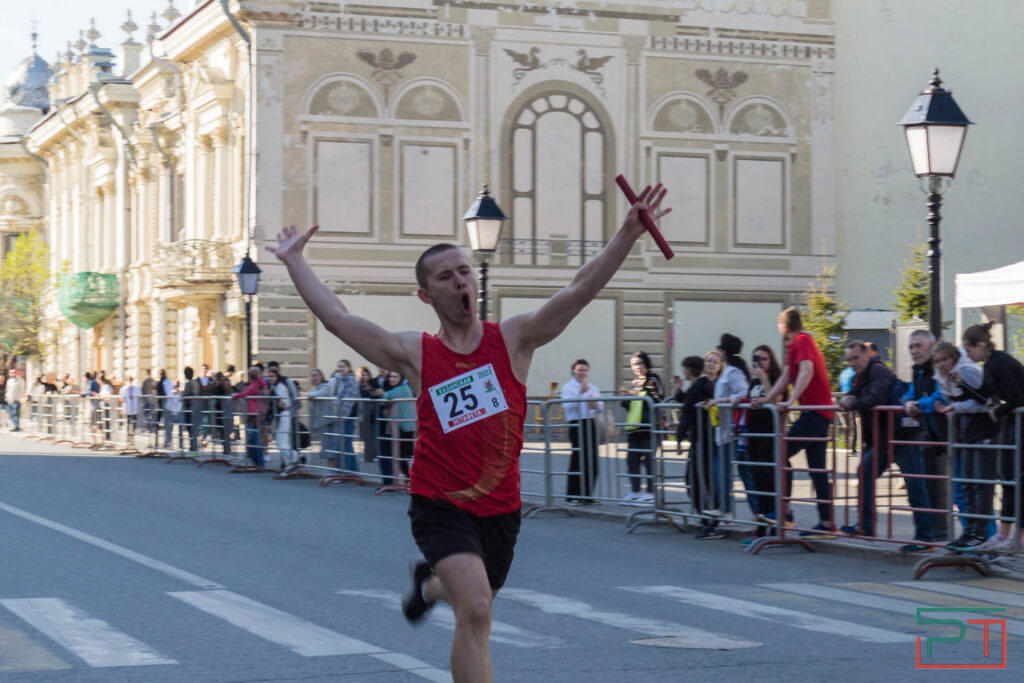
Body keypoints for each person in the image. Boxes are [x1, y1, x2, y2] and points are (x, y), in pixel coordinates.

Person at [269, 182, 670, 683]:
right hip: (440, 502)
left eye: (464, 271)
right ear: (426, 293)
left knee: (471, 606)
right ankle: (440, 580)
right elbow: (337, 317)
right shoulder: (415, 352)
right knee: (478, 609)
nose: (460, 281)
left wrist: (626, 236)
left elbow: (578, 291)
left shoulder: (514, 339)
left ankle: (429, 581)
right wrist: (294, 261)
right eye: (445, 276)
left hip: (500, 508)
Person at [838, 341, 934, 552]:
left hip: (904, 436)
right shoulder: (860, 377)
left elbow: (876, 397)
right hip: (885, 440)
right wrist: (849, 398)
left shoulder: (879, 371)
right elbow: (854, 394)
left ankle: (925, 537)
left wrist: (853, 402)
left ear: (867, 355)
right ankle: (866, 525)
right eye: (849, 360)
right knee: (864, 471)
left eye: (856, 358)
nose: (852, 363)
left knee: (914, 486)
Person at [752, 307, 836, 537]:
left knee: (779, 453)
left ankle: (784, 513)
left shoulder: (802, 340)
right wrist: (766, 399)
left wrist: (790, 400)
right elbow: (787, 376)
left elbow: (806, 370)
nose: (779, 331)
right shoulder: (794, 346)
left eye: (779, 327)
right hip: (817, 413)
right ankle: (827, 524)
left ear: (785, 327)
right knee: (817, 470)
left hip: (816, 413)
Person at [961, 322, 1024, 553]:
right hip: (1012, 425)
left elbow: (1016, 399)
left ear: (980, 345)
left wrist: (997, 412)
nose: (967, 356)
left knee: (1017, 480)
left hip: (1019, 423)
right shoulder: (990, 364)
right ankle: (1003, 534)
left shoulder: (1001, 363)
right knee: (1008, 478)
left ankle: (1017, 538)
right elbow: (986, 395)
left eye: (969, 350)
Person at [930, 342, 992, 551]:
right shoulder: (943, 378)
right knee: (966, 484)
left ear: (954, 358)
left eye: (945, 360)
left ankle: (980, 533)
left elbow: (985, 401)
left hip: (983, 431)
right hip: (966, 432)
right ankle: (969, 531)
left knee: (980, 485)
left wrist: (955, 407)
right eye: (937, 361)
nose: (942, 365)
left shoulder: (967, 371)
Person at [901, 330, 952, 540]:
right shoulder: (918, 370)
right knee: (931, 483)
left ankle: (973, 540)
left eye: (918, 346)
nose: (914, 351)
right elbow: (910, 394)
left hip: (950, 433)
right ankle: (937, 534)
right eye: (911, 347)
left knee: (965, 489)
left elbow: (942, 398)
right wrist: (907, 404)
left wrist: (918, 405)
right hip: (932, 434)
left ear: (932, 346)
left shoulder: (939, 367)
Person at [741, 344, 785, 546]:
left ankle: (775, 526)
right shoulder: (753, 381)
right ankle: (761, 526)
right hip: (754, 435)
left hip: (770, 435)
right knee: (758, 481)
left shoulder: (776, 378)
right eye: (756, 359)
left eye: (764, 359)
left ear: (771, 360)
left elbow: (776, 399)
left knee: (770, 481)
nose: (760, 362)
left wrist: (765, 379)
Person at [705, 335, 750, 532]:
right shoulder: (725, 372)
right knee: (719, 472)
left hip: (732, 429)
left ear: (723, 352)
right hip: (722, 429)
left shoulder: (732, 372)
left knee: (722, 471)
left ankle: (727, 511)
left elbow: (743, 393)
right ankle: (723, 509)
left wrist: (722, 400)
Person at [672, 354, 717, 531]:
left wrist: (678, 438)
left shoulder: (700, 386)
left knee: (696, 480)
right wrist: (678, 390)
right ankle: (707, 516)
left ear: (687, 370)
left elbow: (687, 411)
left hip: (701, 439)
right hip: (704, 438)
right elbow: (688, 402)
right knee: (700, 479)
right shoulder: (702, 385)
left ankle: (708, 518)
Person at [620, 350, 664, 505]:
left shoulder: (653, 379)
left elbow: (658, 399)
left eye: (639, 363)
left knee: (648, 461)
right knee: (632, 460)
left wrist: (637, 392)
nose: (637, 367)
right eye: (634, 364)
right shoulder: (633, 382)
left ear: (646, 363)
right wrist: (626, 397)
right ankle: (635, 491)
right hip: (634, 427)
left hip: (649, 427)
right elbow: (629, 405)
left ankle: (651, 493)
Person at [560, 359, 604, 504]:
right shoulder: (568, 387)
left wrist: (595, 404)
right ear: (574, 371)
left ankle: (588, 494)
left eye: (585, 370)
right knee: (578, 458)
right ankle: (573, 495)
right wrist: (580, 394)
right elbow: (567, 406)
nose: (582, 373)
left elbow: (600, 406)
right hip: (575, 423)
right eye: (579, 370)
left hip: (589, 422)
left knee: (592, 459)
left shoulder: (592, 387)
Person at [383, 369, 416, 485]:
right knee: (403, 455)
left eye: (395, 377)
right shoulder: (403, 388)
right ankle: (408, 477)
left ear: (401, 379)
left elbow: (385, 396)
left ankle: (409, 477)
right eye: (391, 377)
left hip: (405, 426)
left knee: (402, 455)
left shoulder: (402, 389)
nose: (392, 379)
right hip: (404, 426)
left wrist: (378, 393)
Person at [232, 366, 268, 468]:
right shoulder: (259, 383)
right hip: (255, 413)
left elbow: (246, 393)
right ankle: (257, 462)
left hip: (254, 413)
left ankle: (259, 463)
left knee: (253, 440)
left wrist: (235, 395)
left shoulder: (255, 384)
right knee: (254, 439)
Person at [268, 368, 300, 473]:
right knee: (281, 440)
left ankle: (292, 460)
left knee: (281, 441)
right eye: (269, 376)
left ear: (277, 377)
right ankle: (292, 459)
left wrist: (279, 402)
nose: (270, 378)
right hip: (282, 414)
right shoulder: (275, 387)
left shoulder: (279, 387)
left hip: (284, 413)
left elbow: (284, 402)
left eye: (272, 376)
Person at [332, 359, 360, 472]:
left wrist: (342, 417)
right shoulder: (340, 380)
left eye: (343, 366)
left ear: (349, 368)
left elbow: (349, 401)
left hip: (348, 417)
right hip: (341, 416)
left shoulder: (350, 380)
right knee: (344, 444)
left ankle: (347, 471)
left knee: (345, 444)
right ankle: (350, 471)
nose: (340, 369)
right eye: (339, 366)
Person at [306, 368, 335, 460]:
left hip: (326, 421)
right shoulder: (314, 390)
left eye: (316, 375)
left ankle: (331, 470)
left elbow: (318, 394)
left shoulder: (326, 387)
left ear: (321, 376)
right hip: (319, 422)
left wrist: (310, 395)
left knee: (328, 447)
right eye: (312, 376)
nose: (314, 378)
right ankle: (329, 469)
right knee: (324, 446)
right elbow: (311, 394)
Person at [119, 376, 141, 443]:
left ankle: (131, 438)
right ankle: (130, 438)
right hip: (130, 409)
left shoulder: (136, 388)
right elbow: (121, 398)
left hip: (133, 408)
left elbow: (121, 399)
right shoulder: (124, 389)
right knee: (131, 424)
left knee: (131, 424)